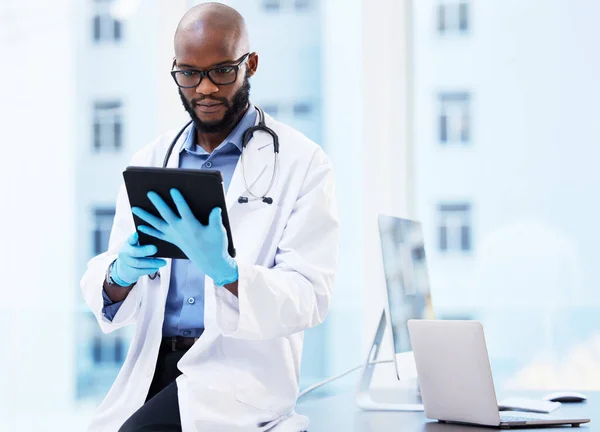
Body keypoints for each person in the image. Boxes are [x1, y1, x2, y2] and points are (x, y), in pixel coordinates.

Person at [80, 3, 339, 431]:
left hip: (237, 374)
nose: (204, 89)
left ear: (250, 64)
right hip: (153, 363)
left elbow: (310, 297)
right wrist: (119, 276)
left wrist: (227, 272)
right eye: (189, 74)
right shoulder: (152, 159)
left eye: (221, 71)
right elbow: (109, 292)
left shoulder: (303, 163)